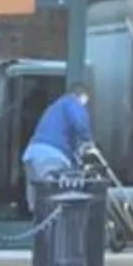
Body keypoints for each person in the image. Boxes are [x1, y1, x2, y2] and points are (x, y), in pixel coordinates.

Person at [21, 80, 92, 222]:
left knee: (38, 205)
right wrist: (88, 141)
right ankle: (54, 242)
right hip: (51, 157)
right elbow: (79, 122)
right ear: (81, 96)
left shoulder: (55, 107)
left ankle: (41, 240)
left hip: (32, 155)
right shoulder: (72, 102)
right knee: (54, 205)